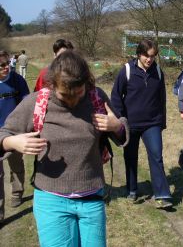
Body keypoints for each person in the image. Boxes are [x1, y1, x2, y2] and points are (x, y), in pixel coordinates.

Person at [0, 51, 129, 246]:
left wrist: (117, 126)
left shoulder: (96, 97)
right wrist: (12, 142)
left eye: (78, 93)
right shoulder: (38, 102)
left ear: (87, 83)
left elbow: (122, 136)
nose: (72, 101)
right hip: (51, 202)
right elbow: (4, 134)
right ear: (51, 85)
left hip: (91, 198)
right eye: (64, 95)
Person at [111, 39, 172, 209]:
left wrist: (161, 122)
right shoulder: (127, 71)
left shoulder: (158, 72)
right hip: (131, 124)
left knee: (157, 156)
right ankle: (132, 189)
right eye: (146, 55)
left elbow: (162, 100)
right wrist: (120, 121)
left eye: (152, 56)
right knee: (130, 157)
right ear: (139, 54)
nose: (149, 59)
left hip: (152, 123)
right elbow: (116, 97)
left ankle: (162, 195)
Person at [0, 50, 30, 224]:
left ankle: (17, 193)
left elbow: (26, 104)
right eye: (2, 66)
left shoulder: (18, 80)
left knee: (16, 165)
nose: (6, 68)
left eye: (7, 64)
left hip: (14, 130)